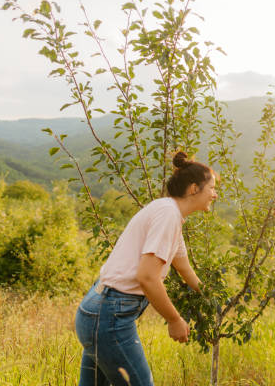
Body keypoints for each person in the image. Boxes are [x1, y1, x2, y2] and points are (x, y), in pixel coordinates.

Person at [75, 151, 217, 386]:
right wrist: (174, 319)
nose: (215, 194)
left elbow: (184, 267)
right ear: (194, 189)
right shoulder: (168, 215)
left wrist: (210, 297)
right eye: (211, 188)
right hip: (108, 318)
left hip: (98, 313)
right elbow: (147, 277)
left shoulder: (170, 213)